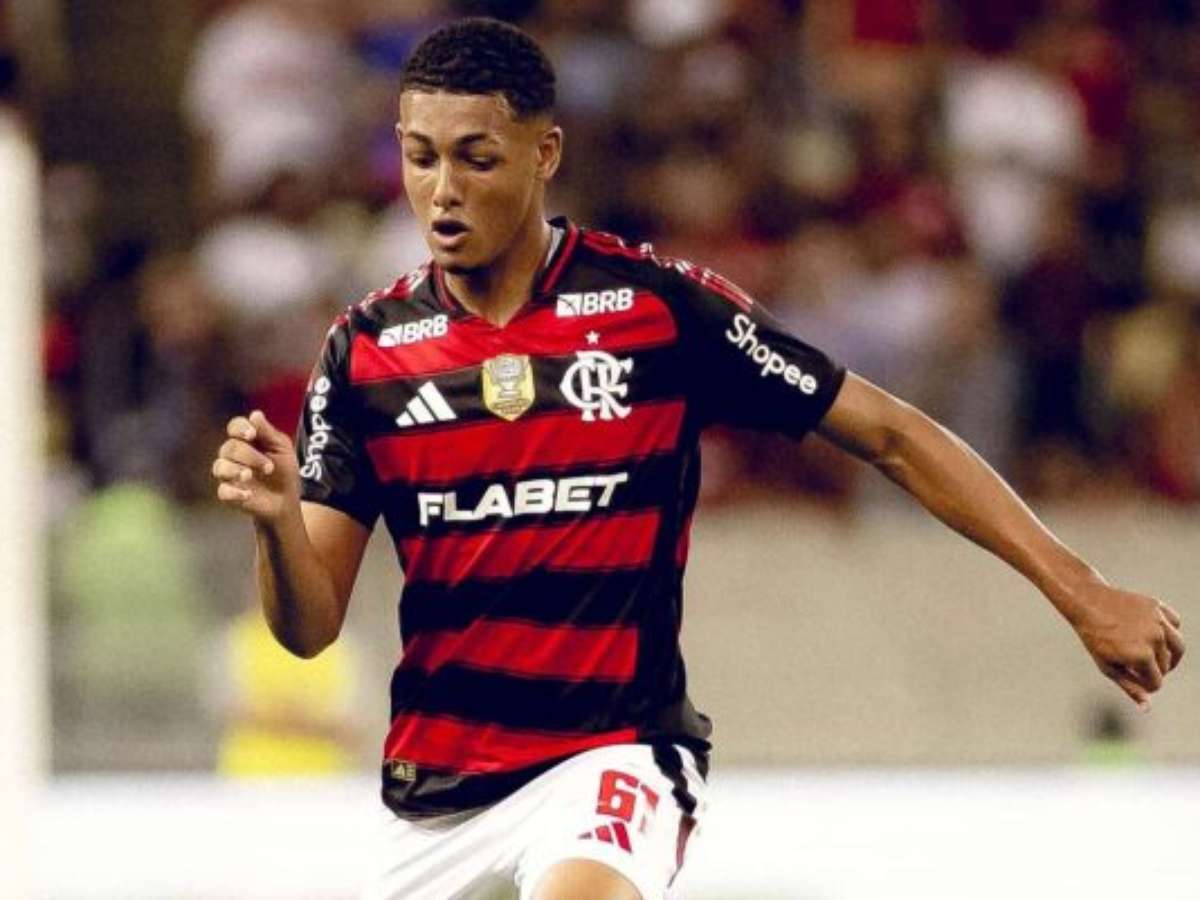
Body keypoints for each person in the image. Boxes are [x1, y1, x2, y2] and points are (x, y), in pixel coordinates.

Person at [210, 17, 1185, 900]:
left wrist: (1080, 590)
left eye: (477, 157)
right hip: (437, 800)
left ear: (545, 153)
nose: (442, 190)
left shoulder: (655, 310)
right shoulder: (366, 352)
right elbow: (307, 630)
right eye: (420, 158)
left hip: (611, 760)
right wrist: (276, 523)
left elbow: (889, 434)